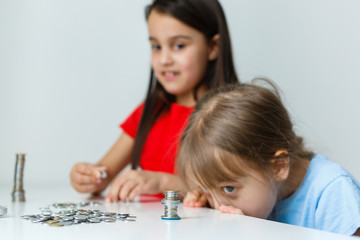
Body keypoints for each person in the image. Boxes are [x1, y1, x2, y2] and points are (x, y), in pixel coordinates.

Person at [69, 0, 239, 202]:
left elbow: (231, 191)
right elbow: (104, 172)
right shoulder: (149, 112)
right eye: (156, 46)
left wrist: (163, 183)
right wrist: (89, 176)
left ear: (213, 47)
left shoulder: (232, 118)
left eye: (178, 45)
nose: (164, 59)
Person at [177, 81, 360, 236]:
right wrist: (204, 215)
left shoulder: (333, 192)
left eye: (229, 188)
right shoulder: (254, 193)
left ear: (278, 167)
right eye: (207, 190)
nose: (218, 206)